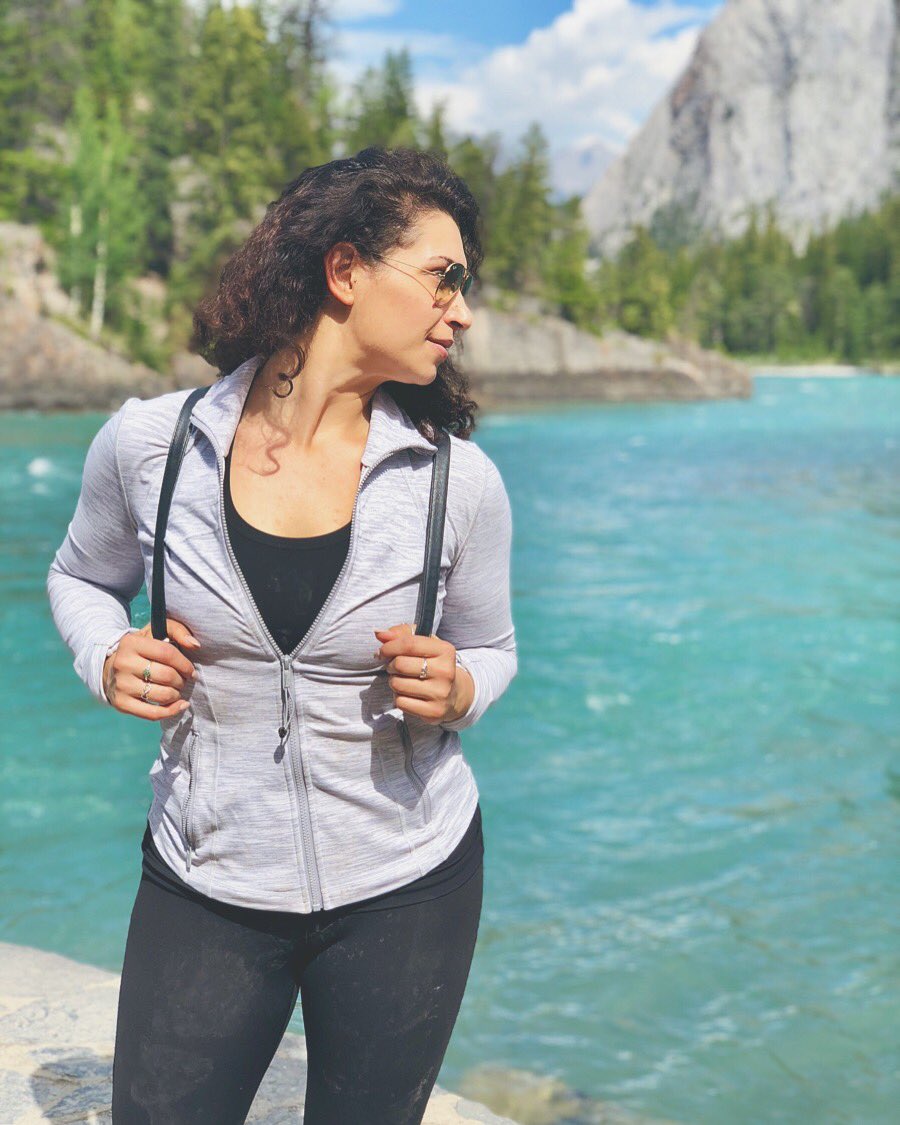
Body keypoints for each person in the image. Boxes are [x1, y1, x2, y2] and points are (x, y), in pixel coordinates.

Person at [46, 145, 517, 1124]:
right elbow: (80, 578)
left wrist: (462, 688)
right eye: (443, 277)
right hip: (207, 877)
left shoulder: (457, 482)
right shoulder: (151, 445)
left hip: (408, 884)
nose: (462, 311)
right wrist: (106, 654)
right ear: (346, 271)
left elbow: (493, 648)